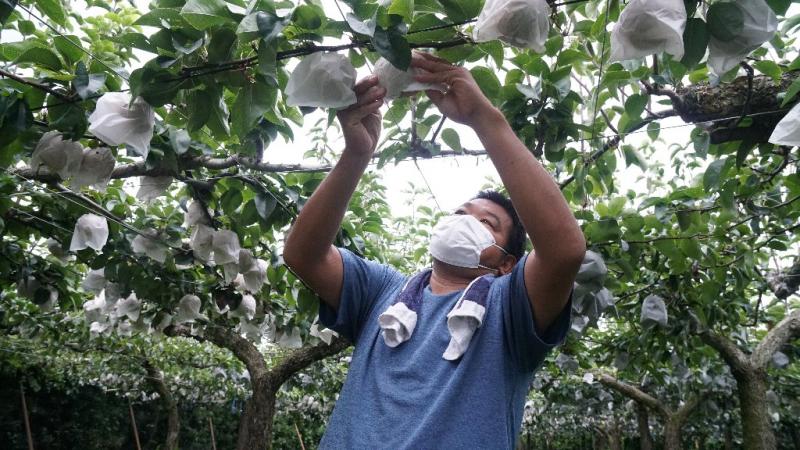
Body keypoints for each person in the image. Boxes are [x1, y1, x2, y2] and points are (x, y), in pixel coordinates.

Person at [283, 52, 586, 449]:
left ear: (506, 264)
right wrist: (356, 155)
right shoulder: (384, 293)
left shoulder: (509, 309)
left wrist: (482, 117)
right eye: (461, 213)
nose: (465, 221)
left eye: (486, 222)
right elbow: (303, 255)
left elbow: (564, 251)